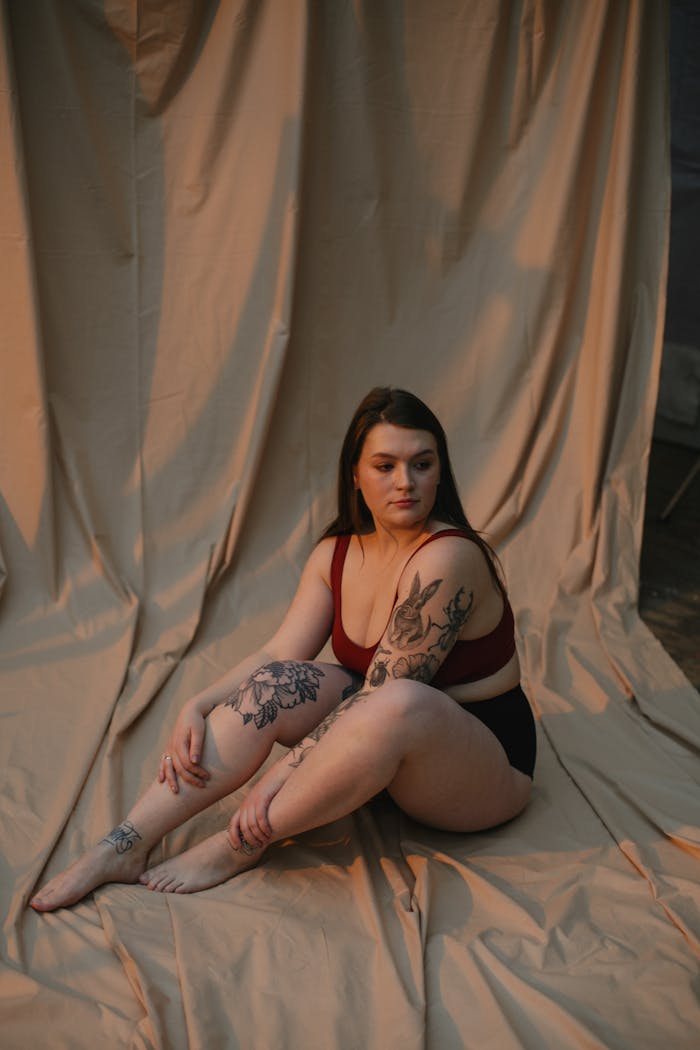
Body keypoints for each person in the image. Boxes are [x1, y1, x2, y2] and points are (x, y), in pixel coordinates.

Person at [30, 387, 536, 911]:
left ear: (440, 471)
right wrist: (197, 704)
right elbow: (275, 654)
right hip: (380, 752)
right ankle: (123, 844)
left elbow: (380, 698)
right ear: (355, 476)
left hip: (482, 770)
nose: (405, 482)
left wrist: (271, 785)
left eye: (422, 464)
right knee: (278, 683)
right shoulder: (335, 553)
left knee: (396, 700)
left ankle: (239, 844)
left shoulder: (448, 557)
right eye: (385, 466)